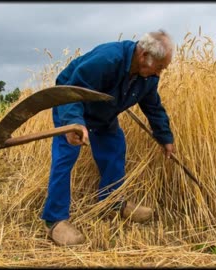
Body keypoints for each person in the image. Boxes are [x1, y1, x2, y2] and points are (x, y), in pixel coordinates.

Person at [42, 30, 175, 245]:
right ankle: (54, 221)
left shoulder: (148, 77)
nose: (160, 73)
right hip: (70, 103)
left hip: (103, 111)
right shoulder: (107, 59)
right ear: (143, 56)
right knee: (66, 156)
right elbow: (72, 91)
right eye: (159, 67)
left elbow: (153, 106)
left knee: (115, 149)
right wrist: (72, 123)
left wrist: (165, 137)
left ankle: (111, 203)